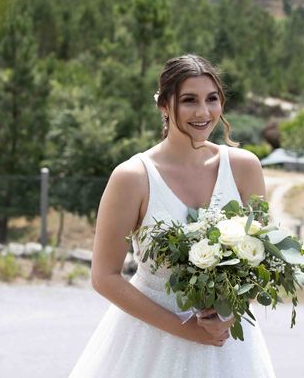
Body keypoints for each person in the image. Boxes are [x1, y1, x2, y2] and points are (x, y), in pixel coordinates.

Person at [69, 55, 276, 377]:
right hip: (151, 339)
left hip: (228, 345)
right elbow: (104, 276)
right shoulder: (132, 177)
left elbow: (261, 258)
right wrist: (186, 329)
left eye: (212, 99)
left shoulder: (245, 167)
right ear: (164, 105)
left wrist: (231, 314)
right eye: (189, 100)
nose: (203, 112)